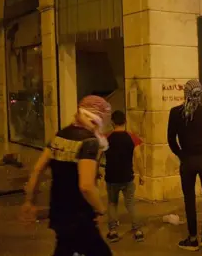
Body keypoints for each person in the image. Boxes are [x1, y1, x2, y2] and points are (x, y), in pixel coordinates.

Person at [21, 95, 112, 256]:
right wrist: (100, 209)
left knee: (64, 249)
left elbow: (37, 169)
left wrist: (29, 201)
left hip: (59, 213)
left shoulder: (60, 135)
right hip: (79, 217)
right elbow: (86, 186)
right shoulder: (89, 142)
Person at [167, 79, 202, 251]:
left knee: (189, 199)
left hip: (187, 160)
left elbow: (171, 139)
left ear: (185, 93)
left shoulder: (175, 113)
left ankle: (192, 238)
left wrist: (181, 155)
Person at [104, 110, 145, 243]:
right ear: (125, 121)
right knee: (131, 204)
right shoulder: (132, 137)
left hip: (111, 177)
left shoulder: (106, 138)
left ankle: (113, 231)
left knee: (112, 203)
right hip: (127, 176)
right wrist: (142, 175)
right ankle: (138, 231)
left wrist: (96, 171)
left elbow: (98, 155)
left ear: (112, 123)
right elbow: (138, 157)